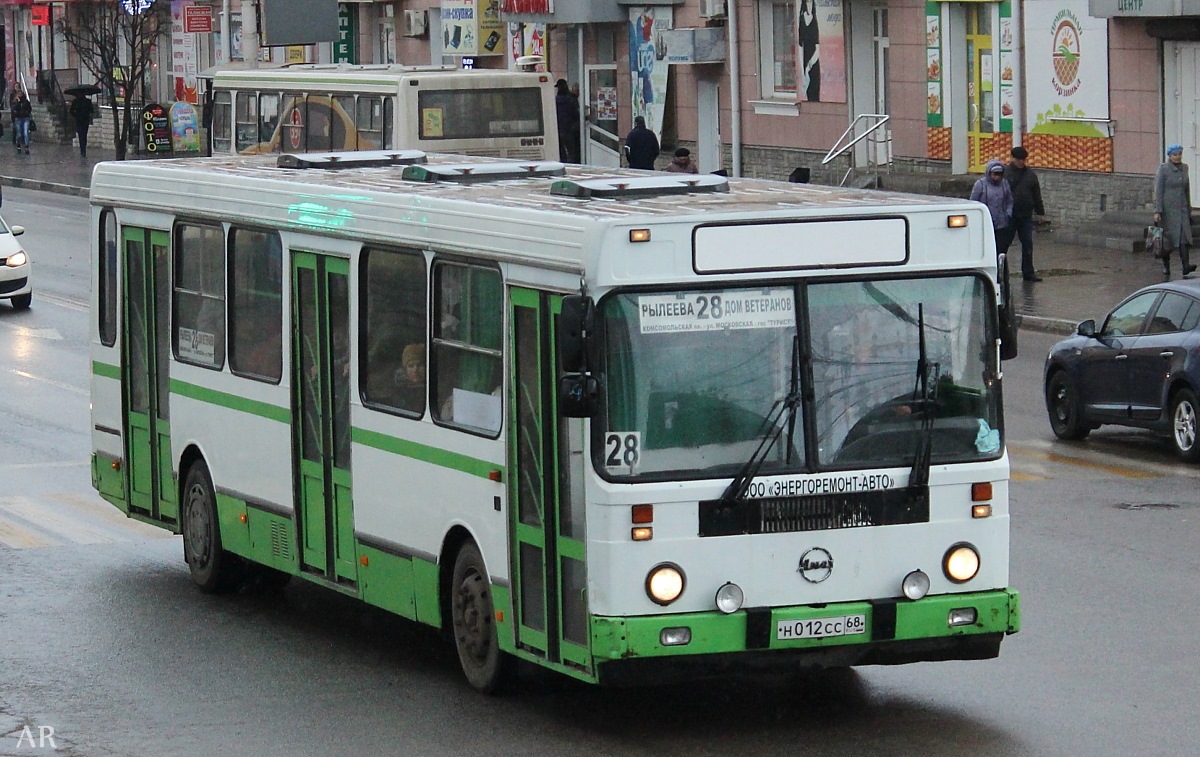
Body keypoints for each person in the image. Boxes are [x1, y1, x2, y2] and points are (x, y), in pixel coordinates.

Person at [1001, 146, 1046, 282]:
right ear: (1013, 158)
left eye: (1024, 160)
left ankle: (1028, 272)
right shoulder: (1005, 173)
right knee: (1004, 245)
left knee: (1027, 244)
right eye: (1019, 159)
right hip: (1009, 216)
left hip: (1025, 215)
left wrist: (1040, 212)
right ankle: (1000, 271)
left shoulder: (1030, 175)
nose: (1022, 162)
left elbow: (1036, 194)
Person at [1154, 144, 1196, 279]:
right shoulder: (1164, 169)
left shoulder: (1185, 168)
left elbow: (1186, 189)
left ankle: (1186, 266)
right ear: (1170, 156)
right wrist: (1158, 211)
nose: (1177, 157)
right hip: (1168, 211)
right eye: (1175, 155)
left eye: (1179, 154)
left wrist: (1188, 209)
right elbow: (1159, 191)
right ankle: (1166, 265)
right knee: (1168, 240)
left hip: (1182, 209)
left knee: (1184, 239)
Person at [969, 159, 1013, 256]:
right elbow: (973, 202)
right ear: (989, 172)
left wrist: (1008, 214)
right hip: (986, 223)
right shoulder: (980, 184)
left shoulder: (1005, 184)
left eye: (1000, 174)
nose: (997, 176)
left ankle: (1002, 269)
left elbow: (1010, 201)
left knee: (1001, 250)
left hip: (1002, 224)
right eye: (995, 173)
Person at [798, 0, 821, 102]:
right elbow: (800, 45)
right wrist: (804, 68)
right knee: (808, 89)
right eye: (807, 2)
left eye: (811, 2)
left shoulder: (814, 20)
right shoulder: (802, 19)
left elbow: (818, 47)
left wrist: (810, 63)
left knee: (814, 86)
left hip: (814, 60)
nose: (809, 4)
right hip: (805, 58)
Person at [554, 79, 580, 163]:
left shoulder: (555, 100)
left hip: (558, 129)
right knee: (571, 152)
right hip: (569, 130)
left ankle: (563, 164)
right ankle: (572, 166)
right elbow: (576, 115)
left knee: (561, 152)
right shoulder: (571, 99)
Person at [11, 90, 32, 155]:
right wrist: (18, 102)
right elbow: (14, 108)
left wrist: (27, 112)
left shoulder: (26, 101)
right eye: (19, 94)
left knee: (26, 133)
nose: (20, 95)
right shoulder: (15, 102)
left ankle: (26, 147)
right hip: (18, 118)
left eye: (21, 94)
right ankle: (18, 144)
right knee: (19, 133)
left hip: (25, 118)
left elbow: (29, 109)